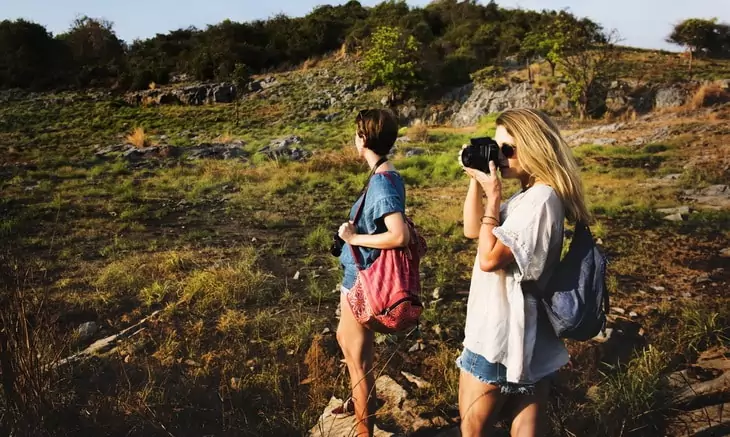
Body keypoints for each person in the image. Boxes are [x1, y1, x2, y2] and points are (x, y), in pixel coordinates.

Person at [458, 108, 591, 437]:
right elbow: (473, 229)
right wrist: (477, 180)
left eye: (508, 149)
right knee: (526, 428)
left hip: (500, 334)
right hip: (524, 332)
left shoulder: (541, 200)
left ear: (534, 147)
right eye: (497, 147)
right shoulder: (530, 196)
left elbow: (489, 258)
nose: (501, 157)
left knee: (473, 428)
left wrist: (494, 196)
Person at [333, 109, 409, 437]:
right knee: (351, 345)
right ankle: (359, 406)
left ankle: (364, 431)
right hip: (359, 277)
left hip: (362, 281)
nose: (354, 138)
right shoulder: (384, 175)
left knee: (357, 362)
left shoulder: (381, 182)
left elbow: (399, 234)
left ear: (363, 139)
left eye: (356, 133)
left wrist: (353, 238)